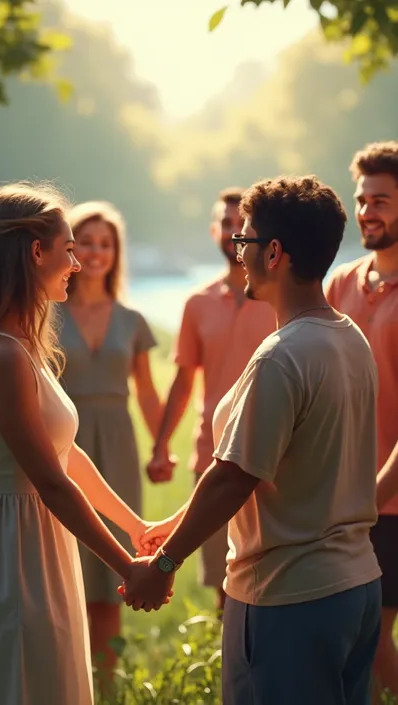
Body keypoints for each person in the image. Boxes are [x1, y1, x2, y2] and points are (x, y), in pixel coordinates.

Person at [124, 176, 382, 705]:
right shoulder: (347, 335)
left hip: (290, 598)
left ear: (274, 253)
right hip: (356, 588)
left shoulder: (281, 357)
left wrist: (165, 565)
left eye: (244, 241)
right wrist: (174, 523)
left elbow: (233, 476)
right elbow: (282, 465)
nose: (237, 253)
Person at [0, 183, 160, 705]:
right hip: (16, 554)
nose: (76, 262)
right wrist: (129, 569)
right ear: (36, 253)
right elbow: (49, 481)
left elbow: (66, 456)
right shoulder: (1, 355)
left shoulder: (22, 346)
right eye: (69, 248)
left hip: (41, 545)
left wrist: (137, 528)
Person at [147, 187, 275, 612]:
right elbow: (184, 381)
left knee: (273, 583)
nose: (233, 232)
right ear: (213, 230)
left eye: (242, 225)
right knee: (226, 592)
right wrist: (162, 444)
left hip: (274, 462)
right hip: (212, 460)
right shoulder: (197, 303)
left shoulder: (279, 299)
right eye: (225, 223)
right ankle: (229, 678)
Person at [57, 200, 170, 674]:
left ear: (115, 252)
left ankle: (106, 683)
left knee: (113, 568)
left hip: (118, 445)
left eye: (106, 243)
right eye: (86, 241)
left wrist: (161, 447)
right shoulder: (47, 314)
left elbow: (146, 393)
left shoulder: (132, 319)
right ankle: (65, 677)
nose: (96, 252)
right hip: (64, 443)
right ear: (70, 249)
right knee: (66, 567)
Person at [326, 141, 398, 699]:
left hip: (386, 503)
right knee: (356, 639)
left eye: (382, 200)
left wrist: (372, 496)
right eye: (362, 199)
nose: (369, 211)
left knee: (370, 639)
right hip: (343, 498)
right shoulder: (338, 284)